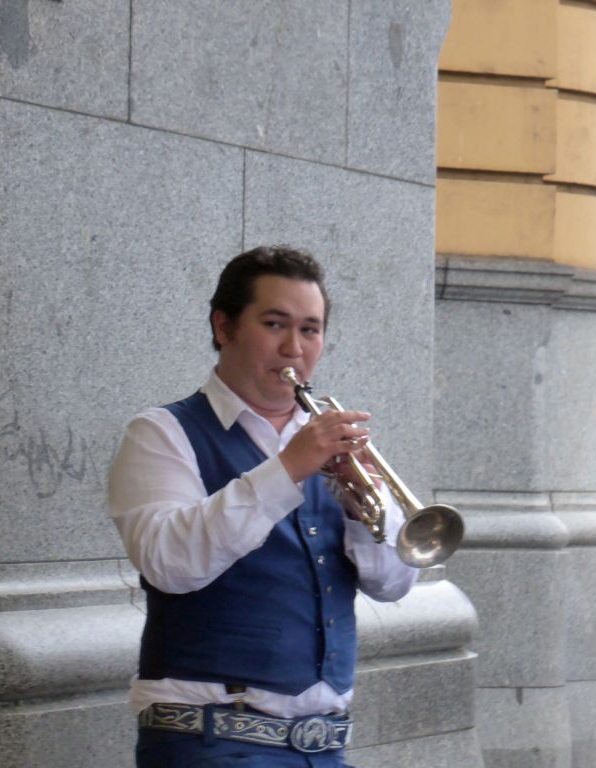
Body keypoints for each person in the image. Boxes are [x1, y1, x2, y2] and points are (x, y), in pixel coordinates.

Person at [109, 245, 418, 767]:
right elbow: (170, 565)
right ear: (224, 327)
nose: (294, 348)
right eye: (275, 324)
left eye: (310, 329)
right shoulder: (161, 433)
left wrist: (354, 509)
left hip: (324, 748)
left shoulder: (333, 443)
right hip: (210, 742)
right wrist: (287, 469)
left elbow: (394, 584)